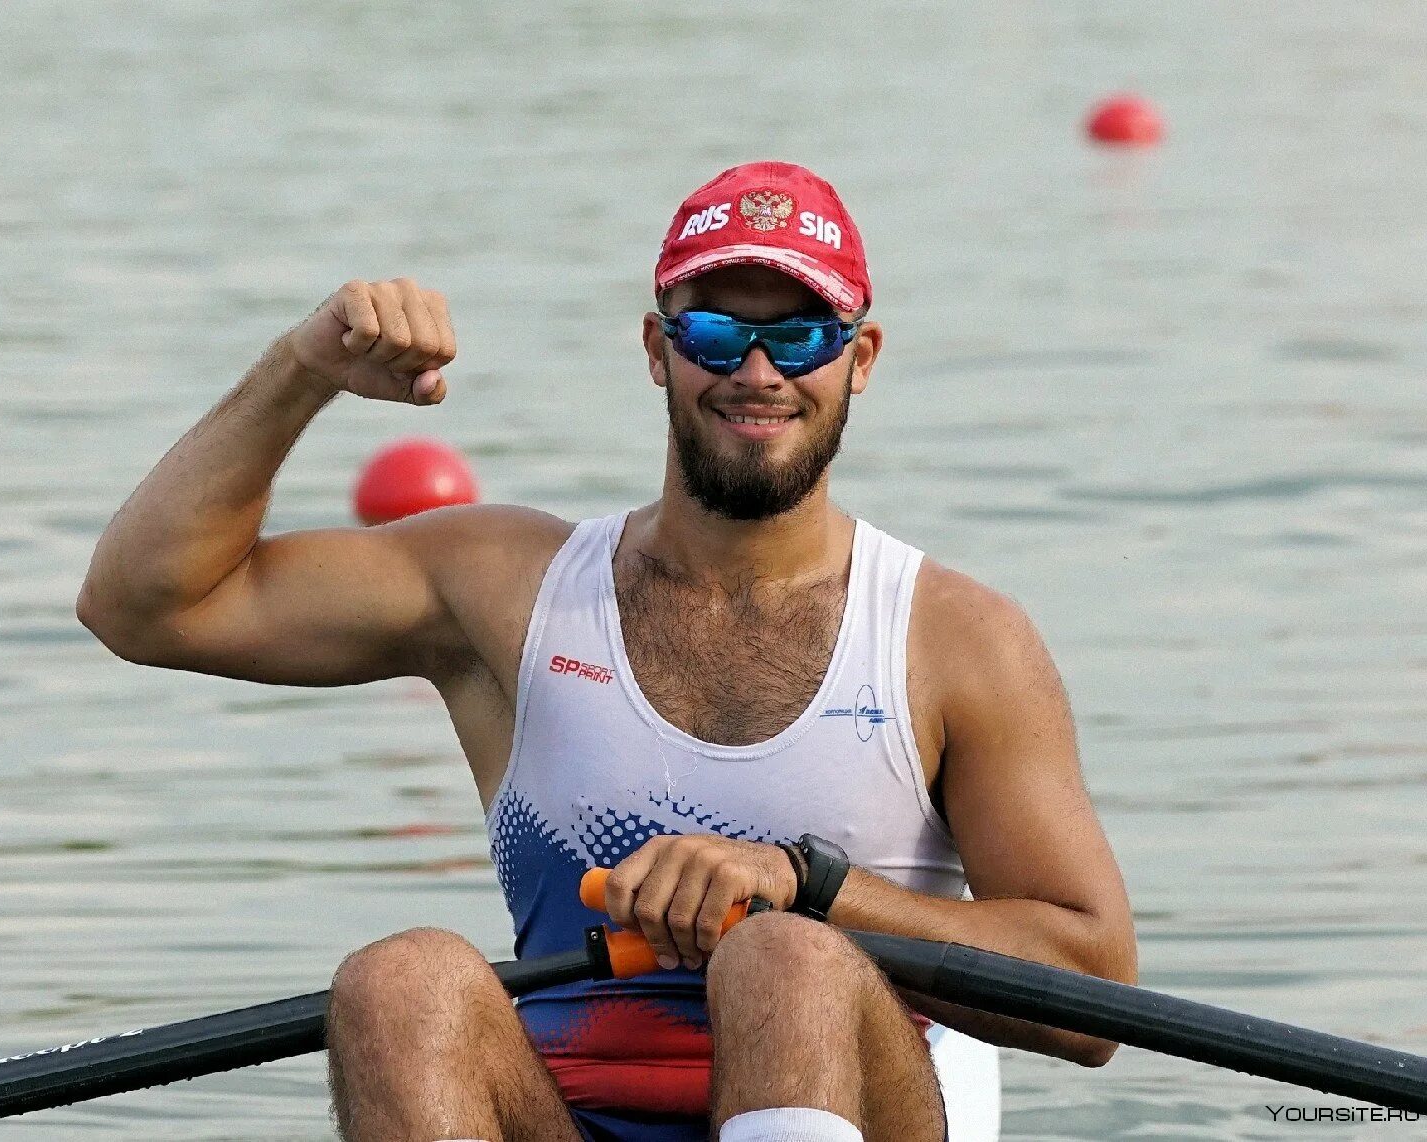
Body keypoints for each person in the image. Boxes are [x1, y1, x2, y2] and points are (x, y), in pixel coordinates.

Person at [78, 161, 1138, 1142]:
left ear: (859, 358)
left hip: (859, 1091)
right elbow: (142, 607)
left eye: (802, 336)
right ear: (655, 349)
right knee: (402, 979)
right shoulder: (503, 585)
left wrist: (805, 888)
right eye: (716, 332)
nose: (758, 370)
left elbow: (1095, 994)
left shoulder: (955, 637)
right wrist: (301, 368)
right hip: (563, 1110)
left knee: (780, 956)